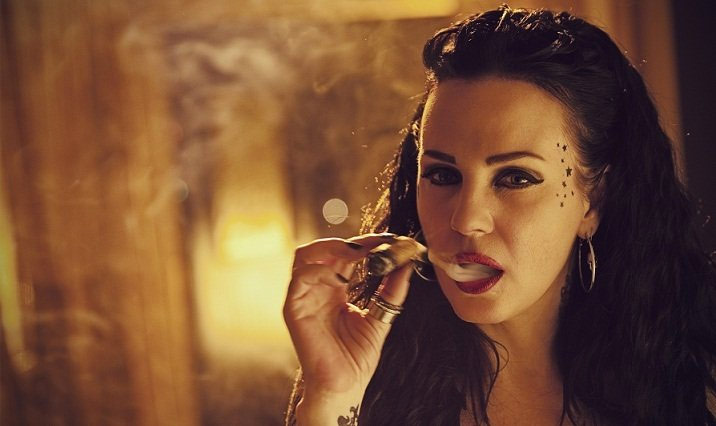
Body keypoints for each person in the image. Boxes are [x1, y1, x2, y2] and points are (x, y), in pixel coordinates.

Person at [283, 5, 716, 425]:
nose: (465, 219)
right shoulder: (367, 382)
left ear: (596, 200)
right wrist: (330, 400)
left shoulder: (690, 385)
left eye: (515, 178)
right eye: (442, 175)